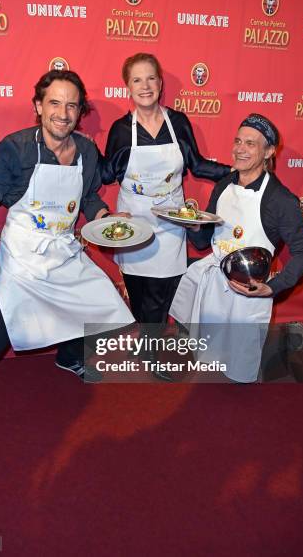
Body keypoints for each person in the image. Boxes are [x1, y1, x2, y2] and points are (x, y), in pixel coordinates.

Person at [0, 69, 135, 400]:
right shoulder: (15, 150)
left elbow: (89, 197)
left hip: (63, 253)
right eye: (54, 103)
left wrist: (106, 219)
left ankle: (68, 356)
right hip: (23, 261)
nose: (63, 114)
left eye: (71, 105)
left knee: (103, 304)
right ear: (38, 105)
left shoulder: (86, 150)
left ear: (80, 111)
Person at [100, 53, 231, 379]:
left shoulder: (179, 122)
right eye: (137, 80)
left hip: (172, 218)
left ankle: (151, 349)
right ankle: (147, 338)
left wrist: (238, 172)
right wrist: (76, 155)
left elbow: (197, 165)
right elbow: (105, 173)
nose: (145, 86)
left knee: (163, 289)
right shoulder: (120, 129)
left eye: (151, 78)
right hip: (133, 219)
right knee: (138, 288)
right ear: (127, 87)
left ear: (160, 83)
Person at [169, 113, 303, 383]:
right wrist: (192, 224)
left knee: (239, 371)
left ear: (269, 151)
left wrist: (273, 286)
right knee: (208, 360)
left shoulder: (281, 200)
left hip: (248, 292)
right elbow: (204, 241)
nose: (239, 149)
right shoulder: (224, 184)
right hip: (214, 283)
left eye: (250, 144)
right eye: (237, 141)